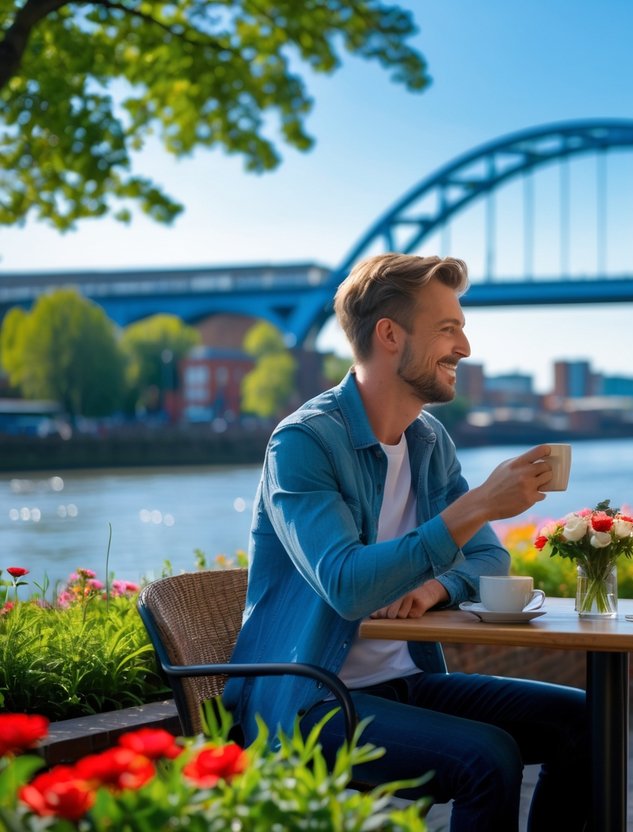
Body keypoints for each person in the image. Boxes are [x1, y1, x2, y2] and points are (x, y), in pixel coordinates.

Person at [222, 253, 589, 832]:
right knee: (487, 757)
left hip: (407, 682)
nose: (464, 348)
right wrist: (478, 505)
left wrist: (435, 588)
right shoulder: (302, 443)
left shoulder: (426, 439)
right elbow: (346, 585)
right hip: (312, 698)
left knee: (586, 720)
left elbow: (490, 558)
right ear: (390, 335)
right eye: (449, 329)